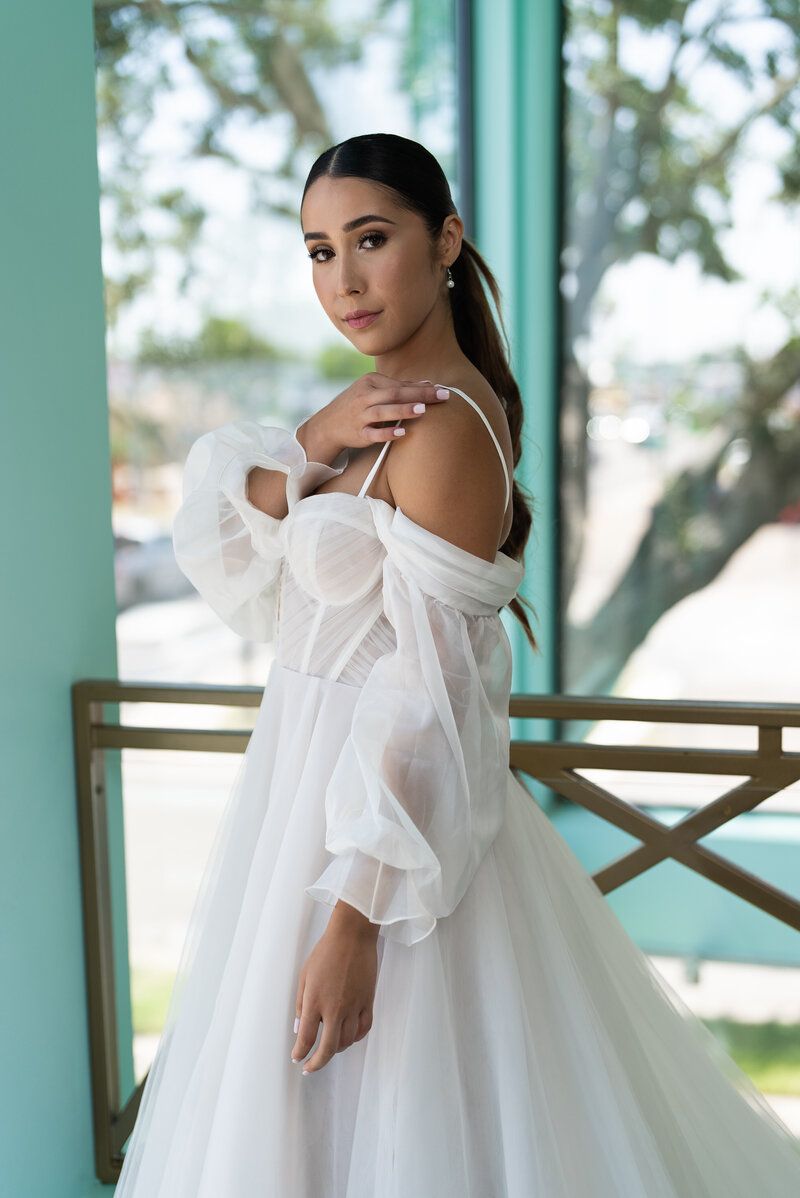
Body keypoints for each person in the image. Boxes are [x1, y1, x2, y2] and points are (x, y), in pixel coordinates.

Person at [115, 132, 800, 1196]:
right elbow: (218, 536)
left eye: (371, 239)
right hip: (298, 808)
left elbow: (429, 698)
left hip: (376, 851)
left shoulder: (443, 431)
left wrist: (353, 920)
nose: (341, 279)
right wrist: (312, 435)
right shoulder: (366, 416)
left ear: (446, 241)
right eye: (316, 251)